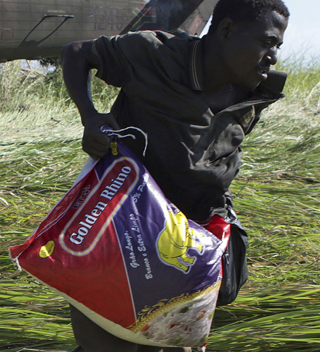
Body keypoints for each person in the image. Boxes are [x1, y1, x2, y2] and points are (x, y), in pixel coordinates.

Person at [59, 0, 289, 351]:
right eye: (267, 42)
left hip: (189, 244)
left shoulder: (255, 89)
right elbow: (76, 53)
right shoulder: (155, 54)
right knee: (104, 343)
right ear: (226, 30)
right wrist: (90, 117)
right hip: (123, 229)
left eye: (277, 47)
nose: (272, 56)